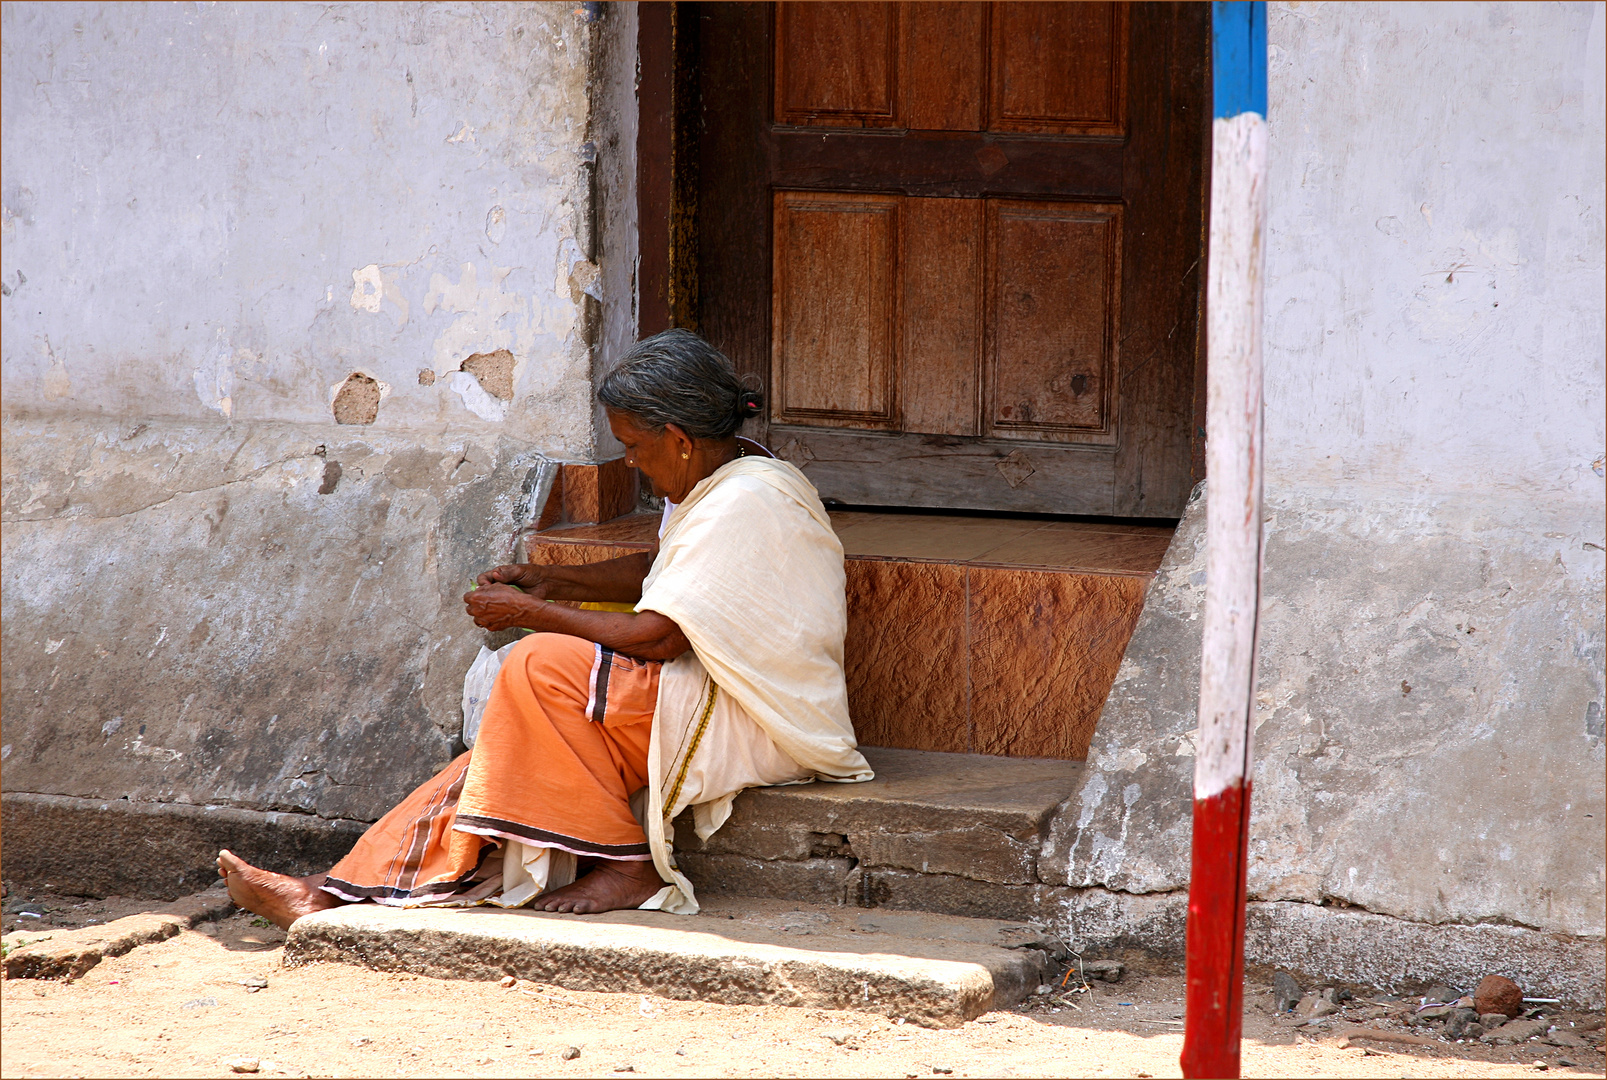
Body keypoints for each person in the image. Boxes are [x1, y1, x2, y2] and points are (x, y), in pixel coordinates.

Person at [217, 329, 872, 927]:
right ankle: (331, 892)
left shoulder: (744, 500)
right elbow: (666, 570)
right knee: (505, 754)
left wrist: (531, 617)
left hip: (753, 714)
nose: (634, 465)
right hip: (705, 692)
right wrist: (559, 584)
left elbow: (658, 636)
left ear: (678, 437)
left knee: (538, 665)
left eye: (636, 448)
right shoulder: (720, 476)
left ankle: (625, 860)